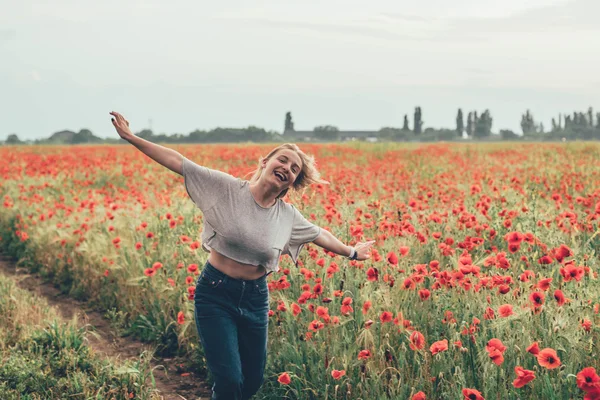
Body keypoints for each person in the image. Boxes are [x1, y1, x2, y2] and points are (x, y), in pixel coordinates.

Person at [109, 111, 376, 399]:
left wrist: (351, 252)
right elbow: (179, 162)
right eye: (282, 160)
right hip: (216, 294)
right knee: (229, 381)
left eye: (294, 168)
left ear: (292, 183)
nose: (287, 167)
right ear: (265, 162)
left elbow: (319, 234)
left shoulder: (287, 216)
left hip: (255, 299)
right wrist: (132, 138)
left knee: (251, 382)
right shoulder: (227, 189)